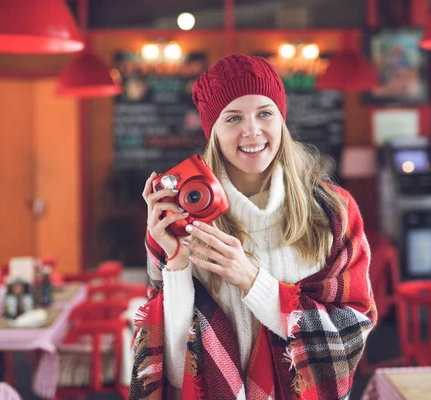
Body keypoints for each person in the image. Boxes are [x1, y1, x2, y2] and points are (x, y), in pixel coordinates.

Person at [130, 53, 376, 400]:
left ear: (281, 120)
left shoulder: (333, 210)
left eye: (265, 113)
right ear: (212, 131)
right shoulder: (181, 217)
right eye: (233, 118)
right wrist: (176, 262)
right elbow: (172, 370)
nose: (252, 130)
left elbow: (349, 338)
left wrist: (251, 280)